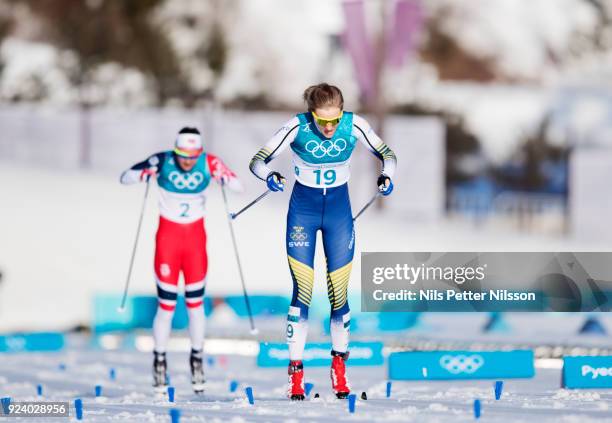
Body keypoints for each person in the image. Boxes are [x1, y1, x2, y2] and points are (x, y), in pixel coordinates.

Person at [249, 83, 396, 400]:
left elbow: (387, 153)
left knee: (339, 294)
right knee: (302, 291)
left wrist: (387, 175)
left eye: (334, 120)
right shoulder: (296, 126)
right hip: (303, 213)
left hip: (338, 216)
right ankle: (296, 376)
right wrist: (269, 177)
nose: (329, 128)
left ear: (342, 112)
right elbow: (258, 161)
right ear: (311, 112)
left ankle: (340, 370)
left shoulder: (354, 124)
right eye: (322, 121)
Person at [120, 127, 242, 394]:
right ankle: (159, 361)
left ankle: (196, 359)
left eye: (192, 155)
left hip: (195, 243)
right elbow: (125, 178)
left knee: (196, 304)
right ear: (175, 151)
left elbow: (238, 185)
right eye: (182, 154)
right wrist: (144, 171)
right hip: (168, 241)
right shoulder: (163, 160)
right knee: (166, 306)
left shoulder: (209, 162)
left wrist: (224, 177)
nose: (187, 161)